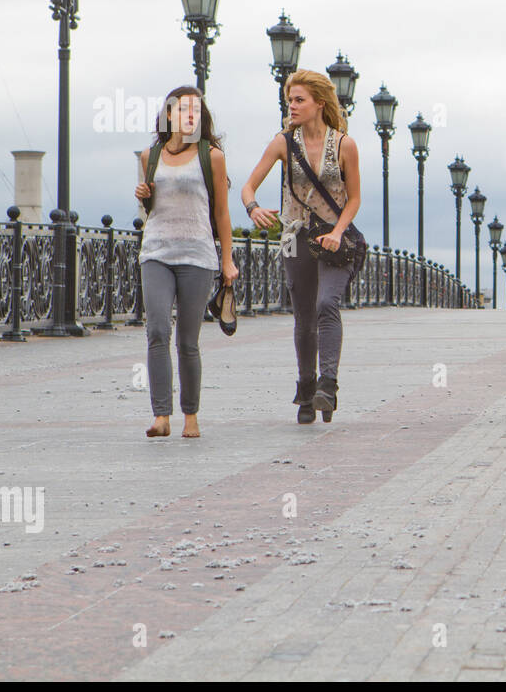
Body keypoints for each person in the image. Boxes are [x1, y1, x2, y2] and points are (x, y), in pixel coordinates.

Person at [240, 70, 361, 424]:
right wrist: (254, 208)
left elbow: (354, 199)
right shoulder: (282, 142)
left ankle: (328, 385)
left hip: (334, 240)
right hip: (294, 239)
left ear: (318, 104)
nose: (291, 106)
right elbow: (248, 187)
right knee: (304, 316)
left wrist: (339, 231)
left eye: (299, 100)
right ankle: (306, 388)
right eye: (289, 100)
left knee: (327, 304)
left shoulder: (344, 145)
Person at [134, 86, 237, 439]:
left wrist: (228, 260)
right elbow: (148, 209)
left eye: (196, 109)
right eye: (182, 109)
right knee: (158, 330)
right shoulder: (150, 156)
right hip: (156, 253)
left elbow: (221, 213)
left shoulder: (212, 156)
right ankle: (161, 415)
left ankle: (190, 415)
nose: (189, 115)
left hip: (198, 255)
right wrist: (144, 197)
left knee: (188, 341)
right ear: (169, 116)